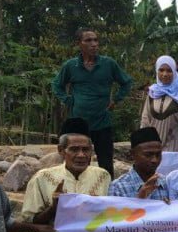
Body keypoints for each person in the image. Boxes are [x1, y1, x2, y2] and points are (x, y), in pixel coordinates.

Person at [22, 118, 111, 232]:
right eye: (74, 149)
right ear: (61, 150)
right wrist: (54, 208)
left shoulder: (103, 177)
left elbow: (113, 214)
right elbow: (31, 220)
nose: (81, 155)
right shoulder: (43, 178)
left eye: (86, 150)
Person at [52, 28, 133, 177]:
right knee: (78, 162)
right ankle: (78, 189)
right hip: (79, 125)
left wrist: (116, 100)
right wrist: (68, 100)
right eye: (88, 40)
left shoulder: (108, 64)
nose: (94, 44)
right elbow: (57, 85)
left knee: (106, 163)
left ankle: (106, 190)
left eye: (96, 40)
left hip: (102, 122)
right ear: (79, 44)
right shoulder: (71, 66)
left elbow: (126, 82)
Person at [140, 55, 178, 152]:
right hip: (153, 149)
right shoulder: (152, 92)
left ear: (174, 72)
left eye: (169, 71)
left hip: (175, 149)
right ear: (157, 71)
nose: (165, 74)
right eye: (161, 70)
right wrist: (143, 143)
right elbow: (145, 120)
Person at [108, 127, 168, 200]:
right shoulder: (119, 187)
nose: (154, 160)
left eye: (158, 154)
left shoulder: (167, 184)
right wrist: (139, 198)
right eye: (148, 155)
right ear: (132, 154)